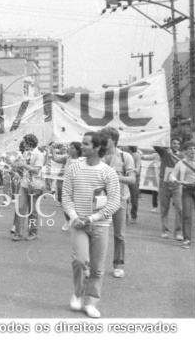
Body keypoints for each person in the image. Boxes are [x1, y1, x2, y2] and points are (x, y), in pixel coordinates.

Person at [62, 132, 121, 319]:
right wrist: (74, 217)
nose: (82, 146)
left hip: (100, 225)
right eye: (82, 143)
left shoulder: (108, 172)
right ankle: (78, 293)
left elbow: (114, 202)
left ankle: (91, 302)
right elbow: (66, 196)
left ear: (97, 147)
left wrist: (92, 218)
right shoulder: (74, 168)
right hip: (78, 224)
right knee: (79, 261)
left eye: (86, 144)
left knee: (97, 268)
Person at [99, 127, 135, 279]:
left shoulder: (125, 157)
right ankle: (96, 265)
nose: (102, 140)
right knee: (97, 233)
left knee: (119, 234)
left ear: (114, 140)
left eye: (106, 138)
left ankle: (118, 265)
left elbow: (132, 180)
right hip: (99, 200)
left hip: (119, 199)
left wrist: (113, 175)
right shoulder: (97, 155)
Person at [142, 138, 185, 239]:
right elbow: (155, 143)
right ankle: (165, 230)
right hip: (164, 183)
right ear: (170, 144)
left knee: (179, 208)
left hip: (176, 184)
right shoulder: (164, 152)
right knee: (164, 208)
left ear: (180, 146)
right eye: (174, 143)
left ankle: (178, 232)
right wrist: (164, 139)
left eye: (178, 144)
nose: (176, 145)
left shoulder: (182, 155)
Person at [11, 134, 45, 241]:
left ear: (30, 143)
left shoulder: (39, 154)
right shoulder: (25, 153)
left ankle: (33, 232)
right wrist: (16, 166)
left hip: (35, 185)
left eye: (25, 142)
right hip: (24, 184)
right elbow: (23, 168)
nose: (23, 144)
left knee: (33, 210)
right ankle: (18, 233)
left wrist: (23, 165)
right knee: (20, 208)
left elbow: (36, 171)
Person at [168, 141, 195, 249]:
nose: (193, 150)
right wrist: (177, 181)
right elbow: (171, 175)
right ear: (185, 151)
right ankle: (187, 240)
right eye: (190, 149)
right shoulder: (181, 163)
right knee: (187, 215)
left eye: (194, 148)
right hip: (187, 190)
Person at [49, 142, 82, 231]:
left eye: (72, 148)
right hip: (67, 184)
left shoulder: (82, 160)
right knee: (66, 204)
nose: (69, 149)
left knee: (77, 205)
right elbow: (56, 159)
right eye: (69, 147)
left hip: (78, 185)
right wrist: (53, 150)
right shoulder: (67, 158)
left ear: (78, 150)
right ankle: (68, 220)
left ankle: (77, 221)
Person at [125, 146, 142, 224]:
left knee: (134, 198)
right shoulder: (123, 154)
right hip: (125, 177)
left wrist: (135, 170)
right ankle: (125, 216)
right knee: (124, 198)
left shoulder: (136, 155)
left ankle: (133, 216)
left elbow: (138, 166)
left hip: (134, 177)